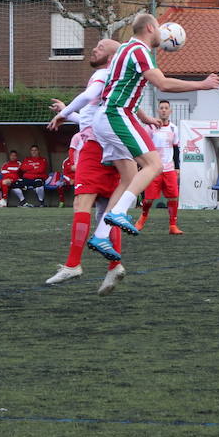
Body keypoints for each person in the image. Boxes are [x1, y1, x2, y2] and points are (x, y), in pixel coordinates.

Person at [85, 14, 219, 264]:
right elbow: (163, 84)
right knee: (154, 165)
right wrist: (201, 85)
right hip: (117, 114)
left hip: (109, 116)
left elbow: (121, 85)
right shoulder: (139, 49)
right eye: (159, 28)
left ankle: (101, 234)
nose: (161, 33)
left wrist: (145, 118)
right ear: (150, 28)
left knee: (128, 178)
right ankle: (119, 213)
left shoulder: (126, 48)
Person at [43, 37, 131, 293]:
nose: (95, 48)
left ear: (112, 58)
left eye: (101, 47)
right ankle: (114, 265)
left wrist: (62, 113)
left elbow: (89, 96)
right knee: (106, 211)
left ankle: (73, 264)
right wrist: (67, 111)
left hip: (95, 147)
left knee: (82, 202)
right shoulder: (117, 81)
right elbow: (89, 116)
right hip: (112, 146)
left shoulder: (102, 74)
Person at [136, 99, 182, 234]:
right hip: (154, 169)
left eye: (166, 108)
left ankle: (173, 225)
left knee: (173, 197)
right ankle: (143, 218)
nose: (163, 110)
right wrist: (144, 164)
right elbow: (144, 147)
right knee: (148, 199)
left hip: (169, 169)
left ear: (170, 111)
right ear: (158, 111)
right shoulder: (150, 128)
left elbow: (176, 148)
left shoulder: (174, 128)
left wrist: (177, 167)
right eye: (161, 108)